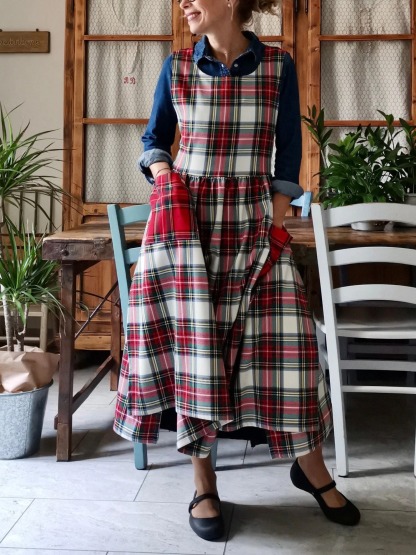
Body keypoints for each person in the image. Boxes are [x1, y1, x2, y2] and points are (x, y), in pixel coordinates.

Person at [114, 0, 360, 541]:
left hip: (253, 222)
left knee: (292, 350)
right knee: (195, 352)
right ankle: (203, 483)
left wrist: (275, 217)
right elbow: (154, 140)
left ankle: (310, 467)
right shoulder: (178, 66)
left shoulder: (277, 67)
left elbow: (288, 153)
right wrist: (164, 175)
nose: (184, 3)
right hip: (188, 227)